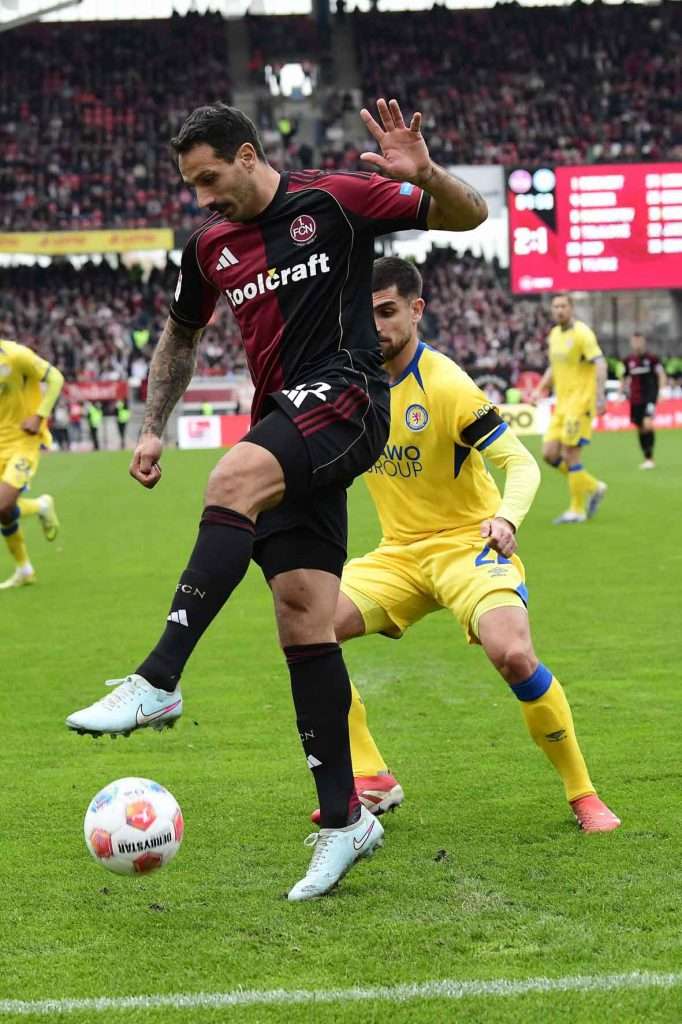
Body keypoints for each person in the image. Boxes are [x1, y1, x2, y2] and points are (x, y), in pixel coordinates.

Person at [65, 99, 488, 900]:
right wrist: (152, 427)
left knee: (231, 479)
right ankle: (345, 823)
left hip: (352, 394)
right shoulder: (208, 246)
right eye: (191, 185)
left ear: (251, 155)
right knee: (303, 615)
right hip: (288, 419)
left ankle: (159, 678)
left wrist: (426, 171)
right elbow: (181, 336)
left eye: (210, 179)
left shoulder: (334, 199)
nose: (201, 198)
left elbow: (472, 216)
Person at [312, 258, 620, 833]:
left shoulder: (447, 384)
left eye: (387, 312)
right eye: (366, 313)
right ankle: (371, 776)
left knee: (513, 654)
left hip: (467, 546)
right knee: (308, 630)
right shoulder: (354, 383)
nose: (375, 325)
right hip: (399, 554)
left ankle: (583, 794)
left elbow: (521, 464)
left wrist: (506, 518)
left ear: (416, 310)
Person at [532, 295, 608, 525]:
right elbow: (553, 367)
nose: (559, 310)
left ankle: (577, 509)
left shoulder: (583, 333)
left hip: (580, 403)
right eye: (555, 307)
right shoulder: (554, 335)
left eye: (563, 306)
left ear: (571, 308)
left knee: (570, 455)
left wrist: (600, 396)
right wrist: (540, 389)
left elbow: (600, 362)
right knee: (549, 454)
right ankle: (593, 486)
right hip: (561, 405)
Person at [0, 339, 63, 589]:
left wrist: (39, 416)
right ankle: (24, 569)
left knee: (3, 504)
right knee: (3, 512)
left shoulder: (15, 355)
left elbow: (56, 378)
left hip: (22, 441)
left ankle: (39, 507)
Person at [622, 332, 666, 469]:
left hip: (649, 397)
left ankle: (651, 458)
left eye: (639, 341)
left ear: (644, 342)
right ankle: (647, 457)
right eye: (634, 342)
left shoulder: (652, 359)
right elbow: (624, 377)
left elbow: (661, 375)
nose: (637, 344)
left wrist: (662, 392)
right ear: (631, 343)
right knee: (640, 428)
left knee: (648, 424)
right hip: (635, 399)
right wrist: (620, 393)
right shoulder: (628, 360)